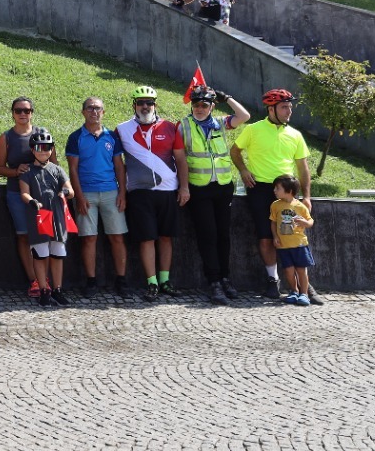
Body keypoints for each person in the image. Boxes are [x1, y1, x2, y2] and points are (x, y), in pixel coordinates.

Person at [231, 89, 317, 303]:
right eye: (284, 107)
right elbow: (234, 151)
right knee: (265, 237)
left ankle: (304, 286)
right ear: (271, 109)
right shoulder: (253, 129)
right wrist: (243, 170)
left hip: (287, 191)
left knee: (294, 236)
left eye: (290, 107)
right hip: (259, 189)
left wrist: (306, 196)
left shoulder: (295, 134)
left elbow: (303, 168)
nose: (289, 111)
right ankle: (272, 280)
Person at [115, 86, 188, 302]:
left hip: (168, 190)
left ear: (155, 105)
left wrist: (184, 187)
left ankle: (165, 280)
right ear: (134, 105)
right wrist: (121, 191)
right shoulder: (122, 130)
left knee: (166, 237)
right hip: (140, 192)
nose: (145, 106)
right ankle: (152, 283)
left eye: (149, 102)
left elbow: (181, 159)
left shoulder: (170, 127)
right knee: (146, 238)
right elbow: (117, 163)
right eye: (141, 102)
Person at [178, 86, 250, 304]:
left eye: (204, 105)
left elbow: (244, 116)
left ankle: (225, 278)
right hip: (198, 187)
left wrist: (227, 97)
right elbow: (178, 158)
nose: (199, 108)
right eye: (196, 105)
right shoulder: (183, 125)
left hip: (223, 186)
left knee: (223, 235)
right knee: (207, 235)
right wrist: (183, 186)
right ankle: (214, 281)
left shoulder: (220, 123)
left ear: (211, 107)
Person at [65, 97, 128, 298]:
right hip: (86, 193)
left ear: (103, 112)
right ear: (83, 112)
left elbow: (119, 166)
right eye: (90, 108)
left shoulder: (112, 136)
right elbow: (73, 170)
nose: (94, 111)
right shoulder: (75, 137)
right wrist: (79, 197)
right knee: (89, 238)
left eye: (98, 108)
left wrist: (122, 193)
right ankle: (91, 281)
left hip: (111, 192)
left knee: (117, 237)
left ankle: (121, 280)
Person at [0, 96, 44, 298]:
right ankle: (34, 280)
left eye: (26, 110)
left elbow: (54, 164)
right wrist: (16, 171)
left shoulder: (42, 133)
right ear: (12, 113)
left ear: (32, 113)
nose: (23, 114)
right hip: (16, 193)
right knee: (23, 235)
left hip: (41, 193)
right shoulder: (6, 137)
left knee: (44, 236)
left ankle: (46, 279)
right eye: (18, 110)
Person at [18, 129, 74, 307]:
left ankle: (57, 289)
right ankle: (43, 289)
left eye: (47, 147)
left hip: (57, 217)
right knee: (40, 254)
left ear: (52, 149)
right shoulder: (27, 171)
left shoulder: (57, 169)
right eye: (39, 148)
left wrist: (65, 191)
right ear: (32, 150)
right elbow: (24, 193)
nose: (43, 151)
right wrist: (32, 201)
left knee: (57, 254)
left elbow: (70, 190)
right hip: (39, 217)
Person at [270, 175, 316, 306]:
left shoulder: (300, 206)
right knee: (288, 271)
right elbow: (273, 222)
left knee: (301, 270)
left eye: (278, 188)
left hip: (299, 245)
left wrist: (306, 223)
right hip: (283, 246)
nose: (274, 190)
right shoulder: (275, 205)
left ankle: (304, 293)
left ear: (289, 191)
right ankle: (294, 291)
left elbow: (310, 221)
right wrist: (275, 236)